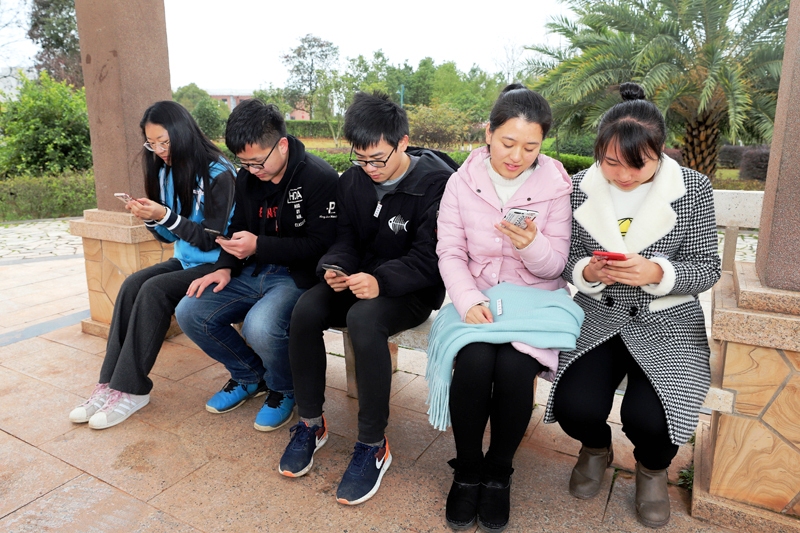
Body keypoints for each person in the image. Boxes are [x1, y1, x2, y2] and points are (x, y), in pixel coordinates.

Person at [544, 82, 721, 528]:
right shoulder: (579, 188)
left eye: (638, 164)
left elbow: (708, 267)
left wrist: (659, 273)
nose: (623, 175)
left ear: (660, 152)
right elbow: (566, 258)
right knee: (573, 406)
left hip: (668, 319)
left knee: (652, 420)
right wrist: (588, 272)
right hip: (600, 314)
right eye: (611, 163)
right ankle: (596, 448)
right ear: (599, 152)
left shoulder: (693, 189)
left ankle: (652, 469)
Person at [277, 91, 459, 505]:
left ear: (403, 142)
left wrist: (380, 280)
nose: (370, 169)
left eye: (378, 159)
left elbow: (432, 257)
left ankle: (372, 445)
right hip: (361, 278)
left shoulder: (438, 185)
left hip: (412, 288)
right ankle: (310, 423)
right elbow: (344, 238)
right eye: (361, 159)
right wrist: (335, 267)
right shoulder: (352, 181)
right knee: (305, 309)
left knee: (363, 319)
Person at [431, 84, 578, 532]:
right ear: (489, 133)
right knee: (475, 363)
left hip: (534, 301)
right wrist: (468, 299)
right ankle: (467, 469)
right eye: (508, 143)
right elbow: (450, 252)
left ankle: (498, 473)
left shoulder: (556, 187)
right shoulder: (461, 182)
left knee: (514, 370)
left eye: (530, 147)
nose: (517, 156)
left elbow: (557, 265)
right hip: (475, 298)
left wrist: (532, 245)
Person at [69, 100, 236, 429]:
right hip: (186, 260)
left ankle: (132, 390)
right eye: (151, 143)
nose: (158, 151)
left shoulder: (219, 172)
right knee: (132, 284)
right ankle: (110, 384)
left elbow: (210, 239)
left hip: (220, 264)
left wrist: (165, 215)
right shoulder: (164, 171)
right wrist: (149, 217)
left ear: (183, 133)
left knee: (154, 291)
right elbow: (168, 237)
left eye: (164, 142)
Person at [174, 98, 339, 432]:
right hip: (254, 270)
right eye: (244, 163)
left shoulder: (318, 177)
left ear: (281, 145)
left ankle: (284, 389)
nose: (252, 170)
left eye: (258, 162)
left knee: (260, 326)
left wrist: (259, 245)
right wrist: (224, 266)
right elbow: (238, 228)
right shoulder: (247, 178)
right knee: (189, 311)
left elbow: (321, 245)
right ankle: (249, 375)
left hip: (297, 277)